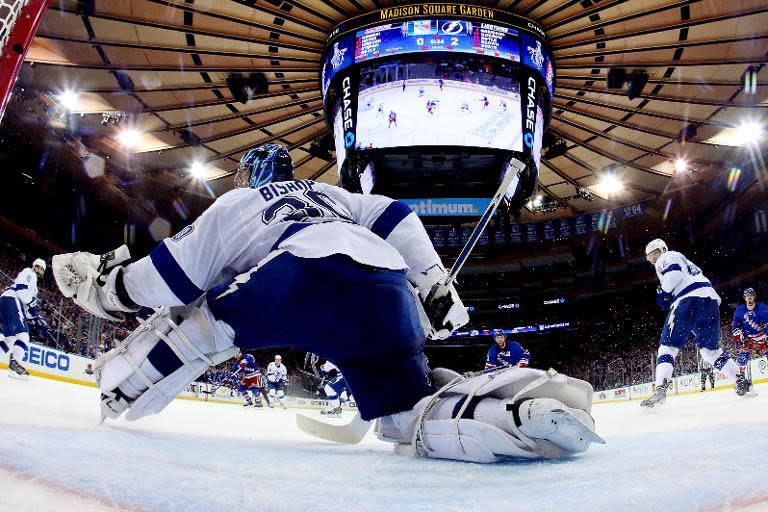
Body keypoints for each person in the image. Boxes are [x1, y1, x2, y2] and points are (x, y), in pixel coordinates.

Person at [51, 143, 603, 464]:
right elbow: (395, 215)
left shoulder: (237, 204)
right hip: (388, 286)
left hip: (297, 276)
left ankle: (118, 388)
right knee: (405, 421)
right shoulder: (330, 195)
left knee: (200, 324)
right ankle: (516, 414)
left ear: (249, 177)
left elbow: (169, 281)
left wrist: (106, 289)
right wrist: (434, 280)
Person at [640, 239, 751, 409]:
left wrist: (664, 292)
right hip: (710, 300)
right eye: (650, 257)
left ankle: (660, 390)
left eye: (654, 253)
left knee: (667, 347)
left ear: (662, 250)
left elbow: (674, 273)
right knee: (710, 351)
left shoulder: (667, 256)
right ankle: (740, 380)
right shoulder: (683, 259)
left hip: (688, 300)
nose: (653, 259)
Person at [0, 258, 46, 378]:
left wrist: (36, 317)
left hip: (8, 301)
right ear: (33, 266)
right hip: (12, 299)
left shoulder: (34, 286)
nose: (39, 270)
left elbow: (26, 309)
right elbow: (21, 290)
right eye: (38, 267)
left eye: (42, 269)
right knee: (23, 335)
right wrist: (33, 304)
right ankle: (14, 366)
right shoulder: (29, 273)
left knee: (9, 340)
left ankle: (14, 365)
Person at [732, 287, 768, 375]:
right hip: (748, 337)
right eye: (747, 296)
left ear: (754, 296)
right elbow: (735, 324)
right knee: (743, 357)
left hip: (763, 336)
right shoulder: (740, 310)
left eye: (751, 295)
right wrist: (737, 335)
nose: (749, 298)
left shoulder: (763, 308)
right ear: (744, 298)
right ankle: (741, 377)